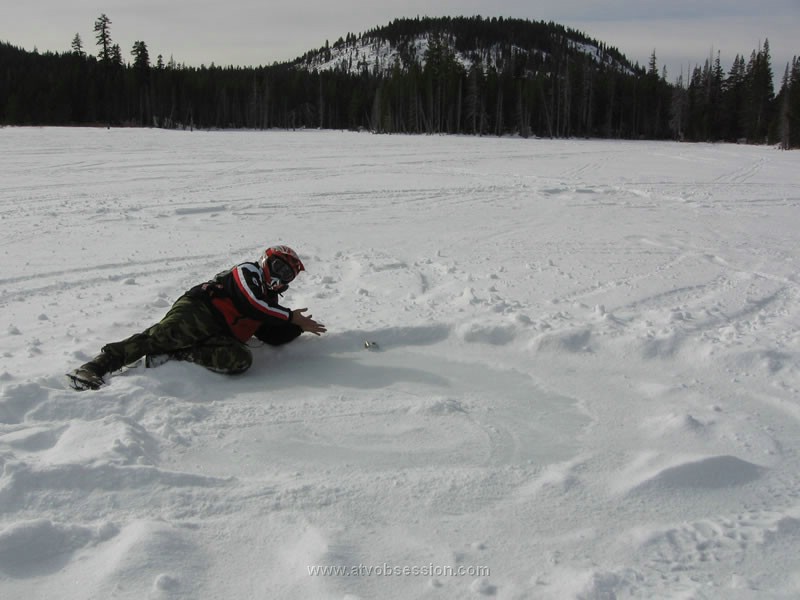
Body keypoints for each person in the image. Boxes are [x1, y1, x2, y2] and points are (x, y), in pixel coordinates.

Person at [67, 245, 326, 391]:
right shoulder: (247, 272)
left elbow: (269, 331)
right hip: (200, 311)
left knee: (240, 360)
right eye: (279, 267)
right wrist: (290, 317)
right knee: (162, 337)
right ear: (265, 261)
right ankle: (96, 367)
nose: (280, 276)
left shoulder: (270, 303)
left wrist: (296, 328)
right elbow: (251, 303)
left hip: (222, 335)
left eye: (288, 274)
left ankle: (179, 353)